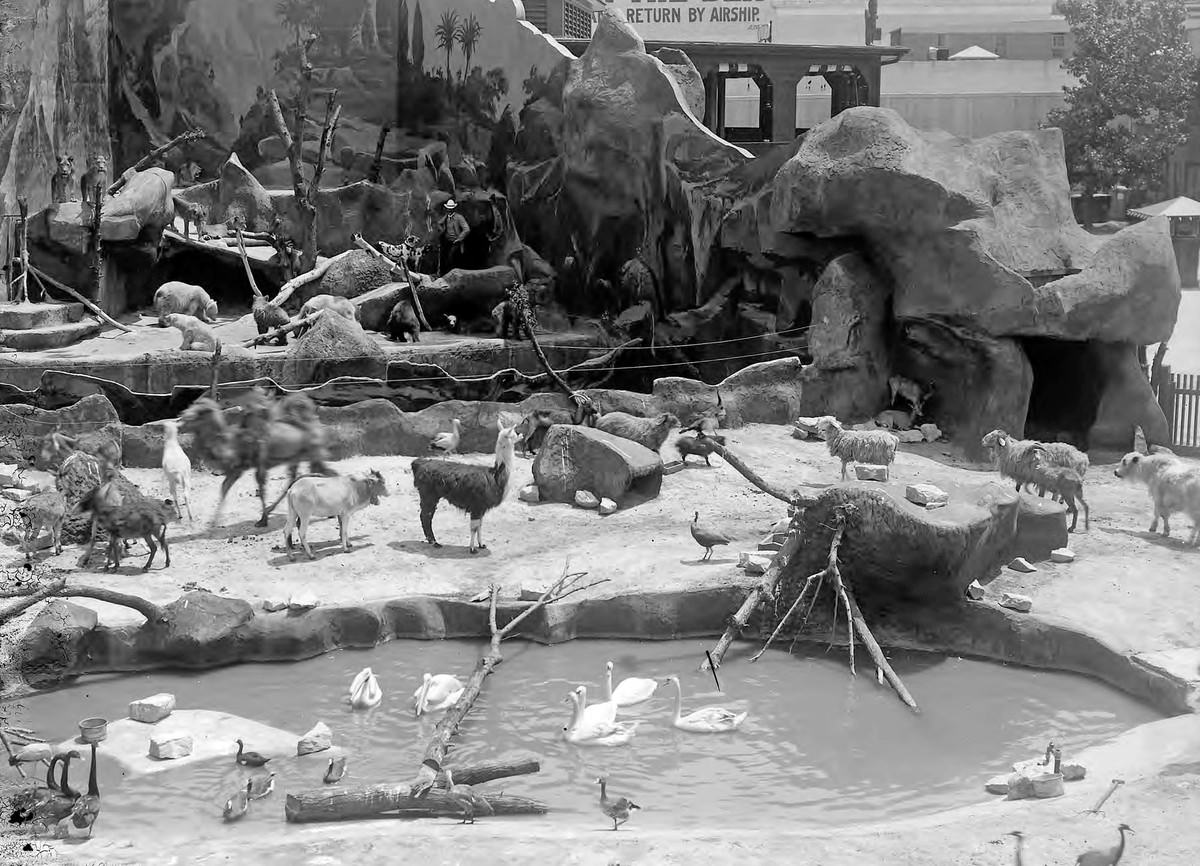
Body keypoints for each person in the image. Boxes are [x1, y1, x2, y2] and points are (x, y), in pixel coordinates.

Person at [438, 199, 470, 275]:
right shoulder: (446, 217)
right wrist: (442, 230)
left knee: (451, 259)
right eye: (448, 208)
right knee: (444, 259)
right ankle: (443, 276)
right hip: (447, 241)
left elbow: (467, 229)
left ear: (453, 209)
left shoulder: (459, 217)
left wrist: (459, 239)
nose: (449, 210)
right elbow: (439, 223)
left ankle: (452, 276)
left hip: (455, 242)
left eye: (451, 208)